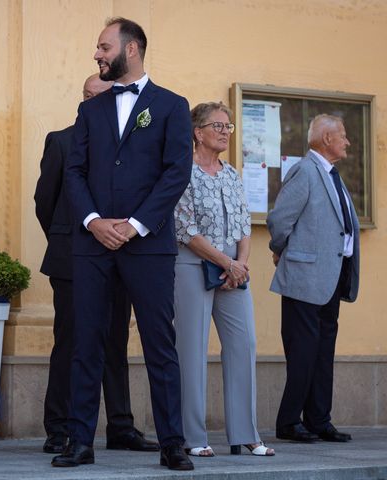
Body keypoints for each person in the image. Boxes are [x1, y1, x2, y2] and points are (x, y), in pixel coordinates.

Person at [52, 17, 193, 471]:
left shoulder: (171, 106)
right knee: (86, 342)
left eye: (103, 46)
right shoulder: (90, 110)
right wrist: (93, 221)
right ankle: (79, 441)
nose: (97, 54)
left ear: (131, 49)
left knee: (159, 344)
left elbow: (176, 173)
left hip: (148, 246)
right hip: (93, 246)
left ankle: (172, 442)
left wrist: (134, 225)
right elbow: (73, 172)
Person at [34, 73, 158, 455]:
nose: (92, 102)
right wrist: (73, 239)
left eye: (101, 96)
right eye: (88, 95)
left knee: (115, 344)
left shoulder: (132, 146)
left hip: (122, 258)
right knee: (71, 343)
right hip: (72, 260)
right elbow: (46, 203)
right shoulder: (61, 141)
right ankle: (60, 428)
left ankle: (120, 426)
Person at [173, 102, 274, 457]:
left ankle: (246, 433)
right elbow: (184, 229)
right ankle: (192, 436)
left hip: (233, 270)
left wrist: (240, 264)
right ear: (197, 132)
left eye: (227, 127)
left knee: (243, 345)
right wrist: (225, 262)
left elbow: (244, 224)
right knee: (191, 349)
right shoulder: (182, 172)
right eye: (217, 125)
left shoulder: (231, 174)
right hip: (192, 266)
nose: (224, 132)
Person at [268, 114, 360, 443]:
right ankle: (289, 422)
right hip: (304, 277)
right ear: (325, 139)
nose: (348, 142)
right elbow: (280, 220)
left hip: (332, 276)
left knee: (323, 352)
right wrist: (280, 249)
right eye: (343, 136)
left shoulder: (332, 175)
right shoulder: (305, 170)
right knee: (304, 352)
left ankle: (319, 420)